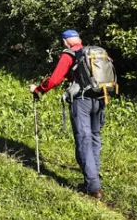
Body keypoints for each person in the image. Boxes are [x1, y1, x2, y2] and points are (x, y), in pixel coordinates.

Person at [29, 30, 106, 199]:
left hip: (82, 102)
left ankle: (93, 187)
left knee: (83, 141)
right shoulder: (91, 53)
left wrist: (39, 89)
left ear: (65, 42)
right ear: (79, 39)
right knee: (94, 138)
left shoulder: (69, 54)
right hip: (99, 100)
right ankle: (93, 176)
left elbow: (55, 79)